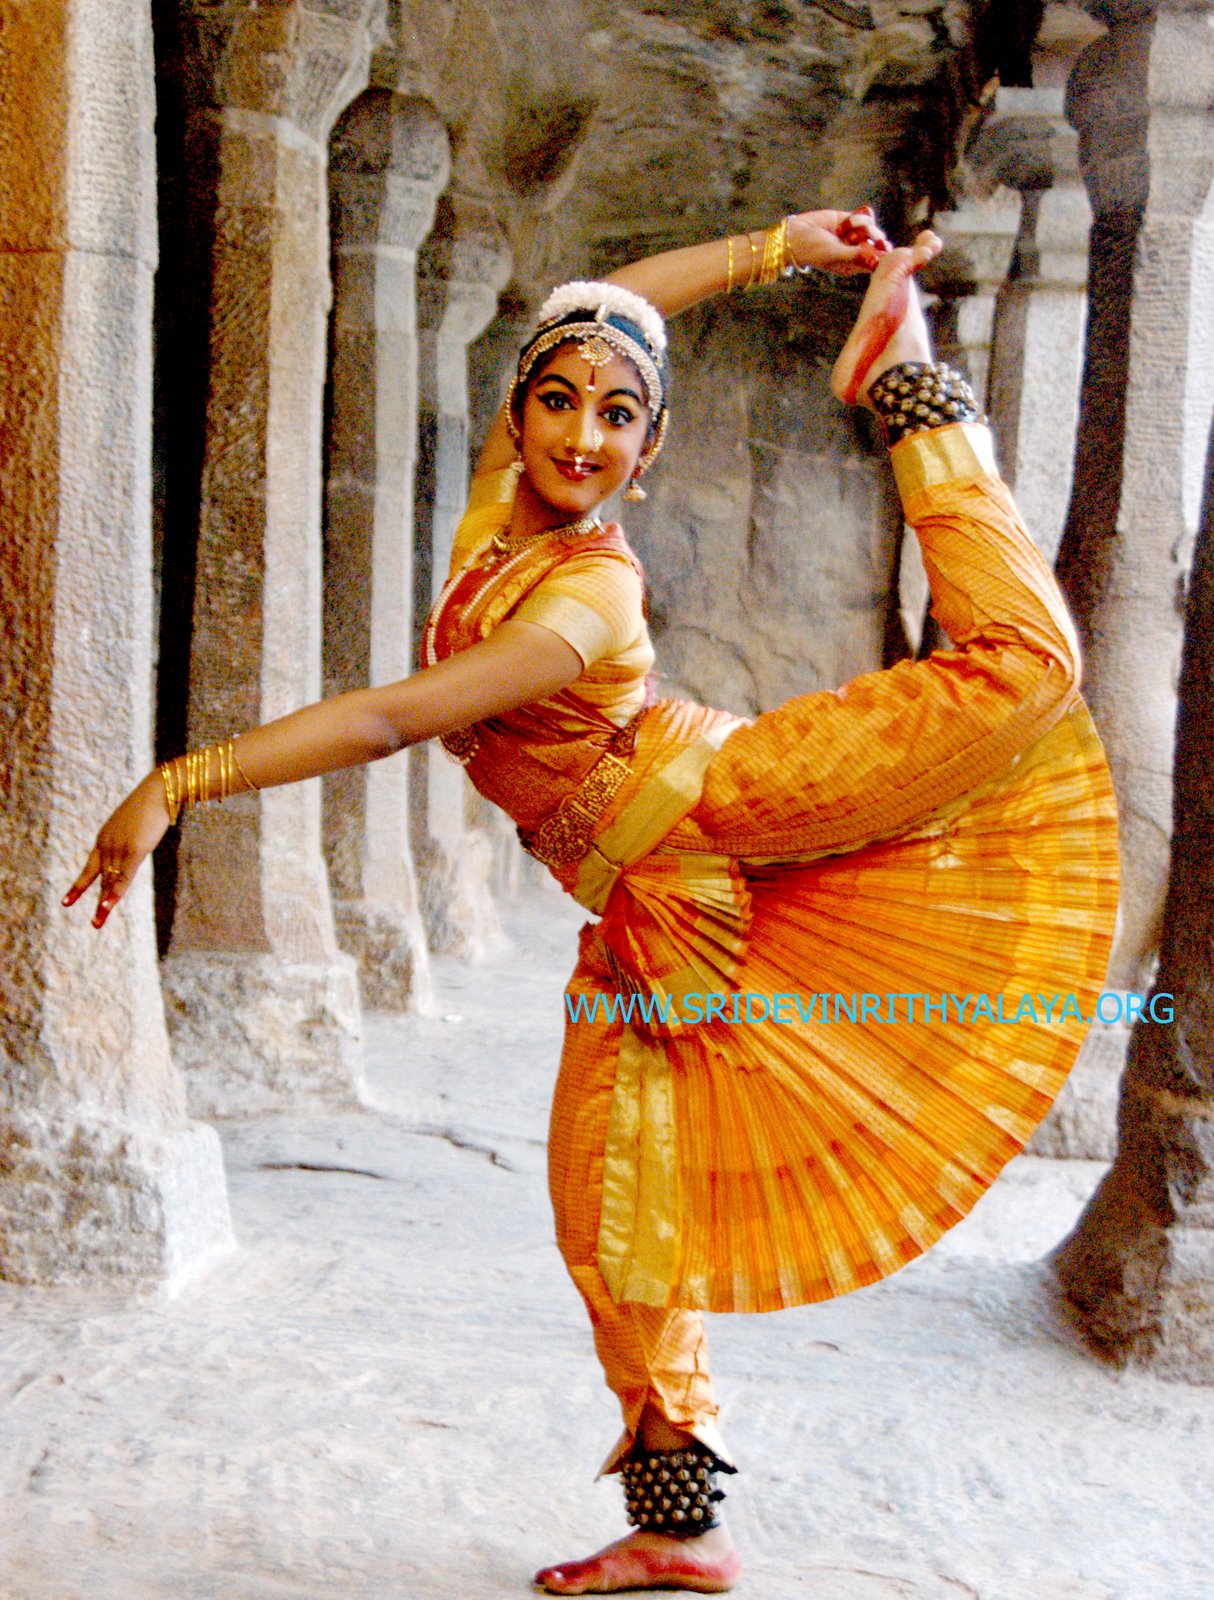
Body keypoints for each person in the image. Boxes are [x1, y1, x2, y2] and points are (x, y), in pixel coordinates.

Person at [66, 211, 1118, 1597]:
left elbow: (391, 719)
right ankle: (680, 1521)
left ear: (651, 446)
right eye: (558, 400)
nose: (582, 434)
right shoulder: (499, 505)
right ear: (514, 411)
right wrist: (779, 244)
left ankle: (910, 390)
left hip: (726, 800)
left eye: (619, 418)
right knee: (608, 1211)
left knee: (1026, 668)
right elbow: (611, 300)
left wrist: (184, 780)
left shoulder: (589, 594)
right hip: (642, 905)